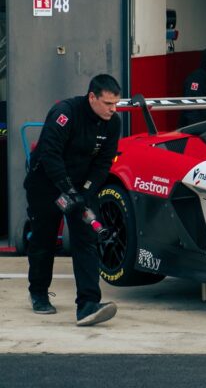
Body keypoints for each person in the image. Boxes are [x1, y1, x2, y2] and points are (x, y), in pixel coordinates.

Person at [24, 74, 122, 326]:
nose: (113, 109)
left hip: (80, 186)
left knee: (86, 239)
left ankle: (88, 305)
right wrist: (68, 189)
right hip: (46, 183)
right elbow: (50, 154)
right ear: (92, 97)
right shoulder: (65, 113)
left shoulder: (113, 123)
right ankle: (38, 292)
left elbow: (104, 163)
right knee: (44, 239)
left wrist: (86, 192)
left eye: (116, 104)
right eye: (108, 103)